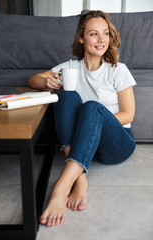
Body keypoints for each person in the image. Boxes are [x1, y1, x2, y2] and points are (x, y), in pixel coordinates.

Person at [28, 10, 136, 227]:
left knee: (91, 108)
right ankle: (80, 178)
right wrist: (46, 82)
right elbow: (33, 79)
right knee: (66, 95)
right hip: (84, 145)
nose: (101, 40)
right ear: (81, 38)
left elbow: (128, 114)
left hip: (117, 144)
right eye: (94, 34)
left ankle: (60, 188)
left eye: (105, 34)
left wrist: (93, 123)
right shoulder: (70, 67)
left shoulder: (117, 70)